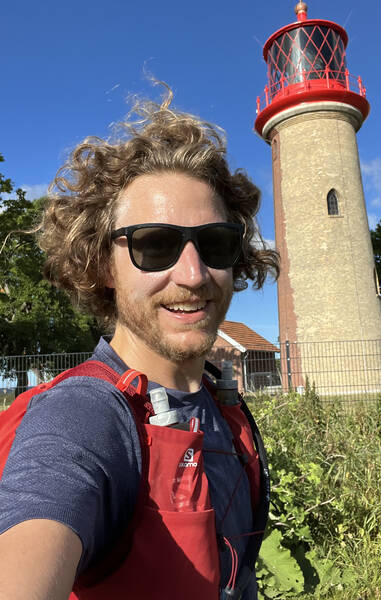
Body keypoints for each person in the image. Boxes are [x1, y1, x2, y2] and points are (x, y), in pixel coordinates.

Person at [0, 89, 279, 600]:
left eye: (215, 243)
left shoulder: (219, 398)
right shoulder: (84, 417)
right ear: (102, 265)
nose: (193, 275)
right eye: (155, 244)